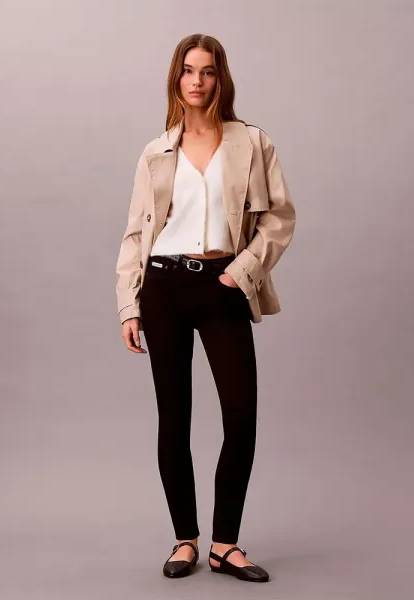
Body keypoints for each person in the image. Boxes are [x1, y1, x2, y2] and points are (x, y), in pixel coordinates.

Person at [115, 33, 296, 582]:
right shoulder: (156, 151)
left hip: (223, 286)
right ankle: (185, 540)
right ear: (177, 78)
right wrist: (129, 306)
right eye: (189, 70)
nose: (197, 81)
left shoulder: (252, 142)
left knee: (240, 416)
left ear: (221, 78)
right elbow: (136, 233)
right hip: (164, 289)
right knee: (174, 418)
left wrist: (241, 272)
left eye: (208, 71)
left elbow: (279, 218)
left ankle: (226, 545)